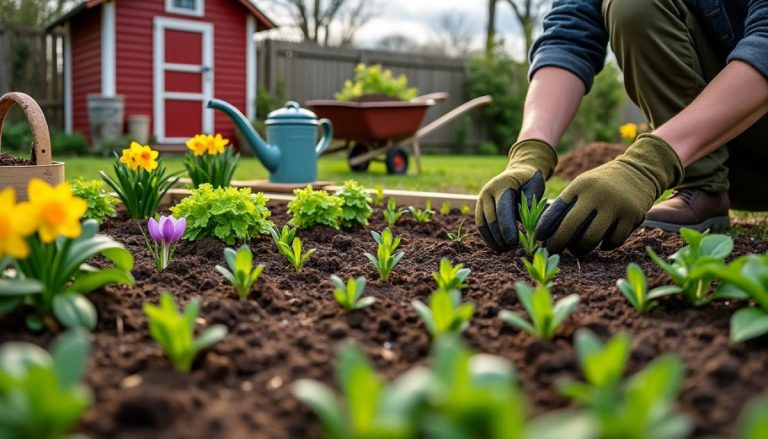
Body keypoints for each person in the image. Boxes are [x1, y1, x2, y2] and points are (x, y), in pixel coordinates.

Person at [475, 0, 768, 256]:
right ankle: (703, 187)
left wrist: (648, 164)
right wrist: (530, 153)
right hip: (714, 162)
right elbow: (568, 37)